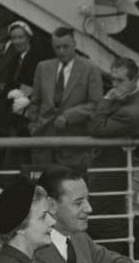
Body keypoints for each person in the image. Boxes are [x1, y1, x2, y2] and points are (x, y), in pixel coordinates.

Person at [88, 56, 139, 258]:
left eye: (120, 80)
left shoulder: (130, 111)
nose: (114, 86)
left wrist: (106, 99)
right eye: (113, 80)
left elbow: (96, 127)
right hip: (106, 169)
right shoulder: (125, 101)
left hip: (110, 173)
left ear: (134, 80)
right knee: (106, 220)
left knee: (104, 222)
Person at [27, 26, 104, 170]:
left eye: (65, 46)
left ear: (74, 44)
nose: (61, 51)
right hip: (43, 143)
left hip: (74, 145)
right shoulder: (42, 67)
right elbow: (35, 101)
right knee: (41, 188)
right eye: (57, 47)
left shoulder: (91, 69)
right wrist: (33, 125)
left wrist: (69, 116)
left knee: (71, 189)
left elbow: (96, 104)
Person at [0, 20, 40, 171]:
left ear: (28, 38)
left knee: (23, 161)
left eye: (20, 37)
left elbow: (33, 85)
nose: (17, 41)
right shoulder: (16, 58)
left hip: (27, 117)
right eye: (14, 38)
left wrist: (8, 90)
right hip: (14, 117)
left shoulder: (35, 58)